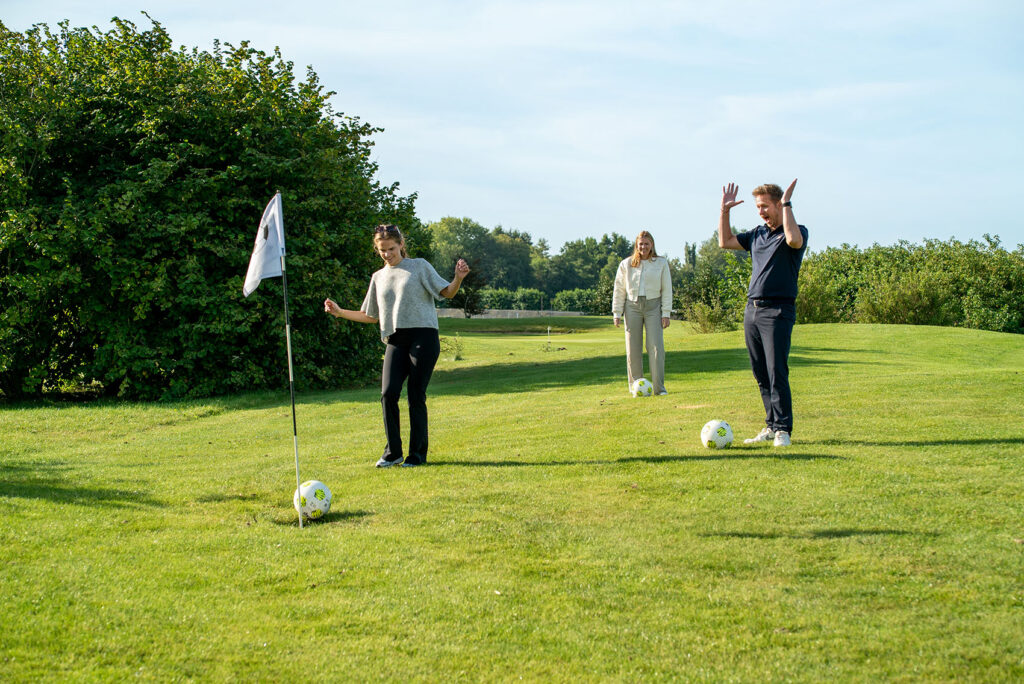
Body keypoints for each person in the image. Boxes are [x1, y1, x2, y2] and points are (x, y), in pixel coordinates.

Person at [324, 224, 470, 467]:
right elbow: (370, 316)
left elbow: (447, 293)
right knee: (388, 393)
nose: (387, 254)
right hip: (395, 338)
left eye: (391, 248)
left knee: (415, 394)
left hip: (423, 336)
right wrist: (339, 312)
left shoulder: (419, 266)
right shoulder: (378, 277)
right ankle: (393, 453)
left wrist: (458, 278)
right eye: (382, 250)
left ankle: (416, 456)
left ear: (401, 244)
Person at [718, 179, 807, 447]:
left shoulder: (796, 230)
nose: (761, 212)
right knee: (761, 373)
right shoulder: (757, 234)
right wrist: (724, 211)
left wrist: (788, 204)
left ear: (778, 205)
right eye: (758, 207)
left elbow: (793, 241)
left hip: (778, 310)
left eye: (765, 206)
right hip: (752, 309)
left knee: (776, 370)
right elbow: (725, 242)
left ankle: (783, 430)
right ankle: (771, 425)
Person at [612, 231, 673, 395]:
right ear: (636, 245)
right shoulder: (626, 264)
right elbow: (619, 289)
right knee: (632, 349)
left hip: (654, 306)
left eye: (646, 244)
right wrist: (617, 312)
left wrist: (666, 313)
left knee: (656, 347)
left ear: (651, 245)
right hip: (632, 307)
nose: (643, 247)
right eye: (641, 244)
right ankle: (635, 388)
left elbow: (667, 289)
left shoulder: (661, 263)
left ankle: (659, 389)